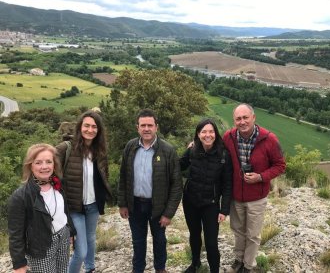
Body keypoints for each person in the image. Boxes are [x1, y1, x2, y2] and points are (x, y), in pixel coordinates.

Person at [117, 109, 182, 273]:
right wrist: (122, 203)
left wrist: (169, 213)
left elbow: (176, 185)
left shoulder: (168, 151)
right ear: (137, 127)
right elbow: (123, 177)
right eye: (143, 125)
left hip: (158, 206)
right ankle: (137, 269)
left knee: (159, 240)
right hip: (135, 204)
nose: (146, 129)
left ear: (156, 127)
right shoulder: (130, 147)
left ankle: (160, 269)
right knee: (138, 241)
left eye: (150, 125)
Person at [223, 103, 286, 273]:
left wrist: (260, 177)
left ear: (253, 118)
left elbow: (280, 165)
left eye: (245, 117)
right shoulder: (228, 137)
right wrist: (196, 144)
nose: (242, 122)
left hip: (257, 198)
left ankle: (248, 265)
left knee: (252, 234)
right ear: (234, 120)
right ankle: (238, 259)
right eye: (238, 119)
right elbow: (215, 150)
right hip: (236, 196)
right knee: (237, 230)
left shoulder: (269, 139)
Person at [56, 110, 112, 273]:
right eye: (86, 125)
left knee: (91, 239)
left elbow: (104, 174)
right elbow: (51, 174)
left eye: (94, 127)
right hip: (73, 207)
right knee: (80, 251)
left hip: (93, 205)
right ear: (80, 127)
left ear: (98, 130)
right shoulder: (65, 149)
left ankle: (90, 268)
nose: (90, 130)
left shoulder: (99, 151)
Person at [8, 143, 75, 273]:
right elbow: (16, 234)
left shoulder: (59, 184)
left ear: (54, 164)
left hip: (63, 237)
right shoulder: (21, 196)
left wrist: (70, 231)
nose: (44, 166)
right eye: (38, 162)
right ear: (30, 166)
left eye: (48, 162)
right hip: (40, 246)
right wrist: (19, 264)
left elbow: (64, 210)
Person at [180, 119, 233, 273]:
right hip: (190, 201)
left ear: (216, 134)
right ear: (198, 134)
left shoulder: (224, 155)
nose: (207, 135)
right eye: (204, 132)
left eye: (211, 131)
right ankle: (195, 263)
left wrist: (224, 210)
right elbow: (178, 165)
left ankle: (214, 270)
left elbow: (227, 184)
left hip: (211, 204)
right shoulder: (192, 150)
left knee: (211, 243)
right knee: (194, 235)